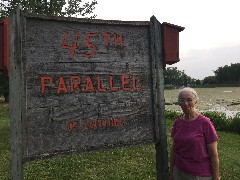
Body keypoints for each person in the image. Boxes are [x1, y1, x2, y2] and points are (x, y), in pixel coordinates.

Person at [168, 87, 220, 180]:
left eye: (189, 100)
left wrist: (216, 177)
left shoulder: (205, 123)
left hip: (199, 174)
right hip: (179, 171)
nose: (186, 103)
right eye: (182, 100)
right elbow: (174, 149)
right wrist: (171, 171)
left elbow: (214, 154)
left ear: (195, 101)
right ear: (178, 102)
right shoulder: (177, 123)